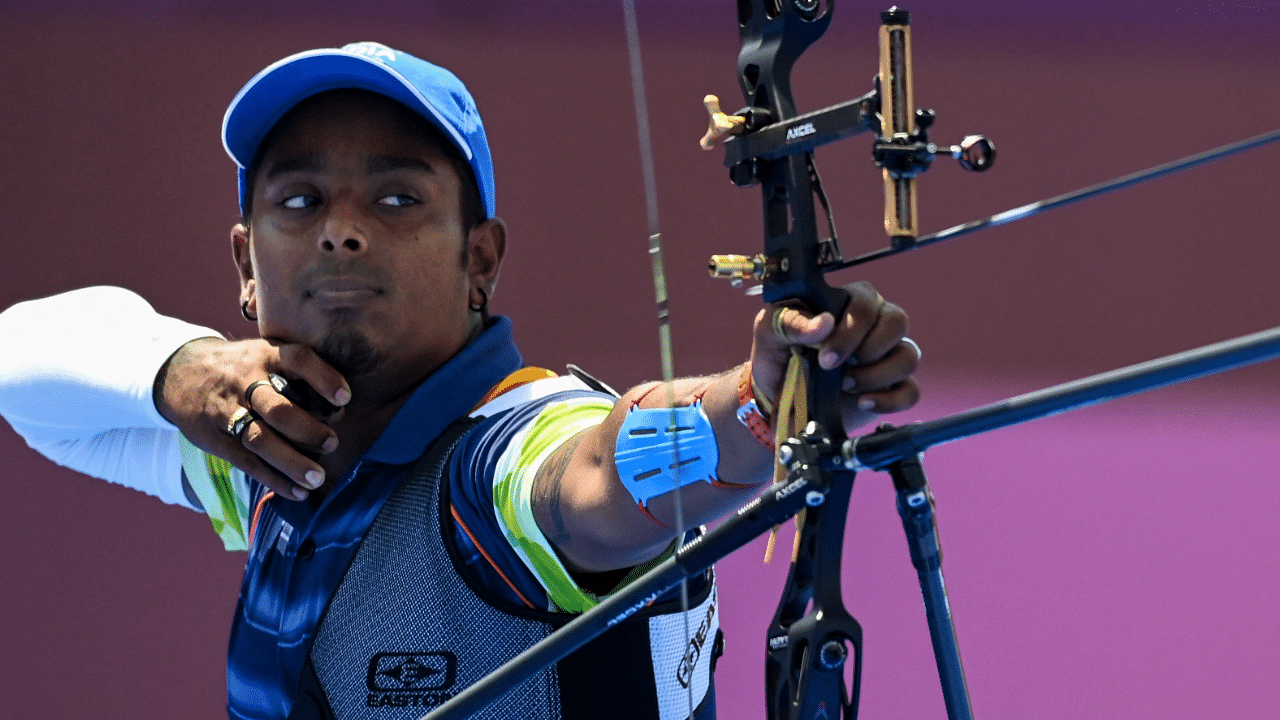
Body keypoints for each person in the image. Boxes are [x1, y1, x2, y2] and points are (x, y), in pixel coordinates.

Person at [0, 42, 920, 720]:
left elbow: (596, 471)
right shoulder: (278, 454)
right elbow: (25, 379)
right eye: (299, 199)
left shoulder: (502, 464)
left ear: (480, 259)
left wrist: (757, 409)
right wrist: (176, 371)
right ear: (246, 263)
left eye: (398, 199)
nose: (341, 231)